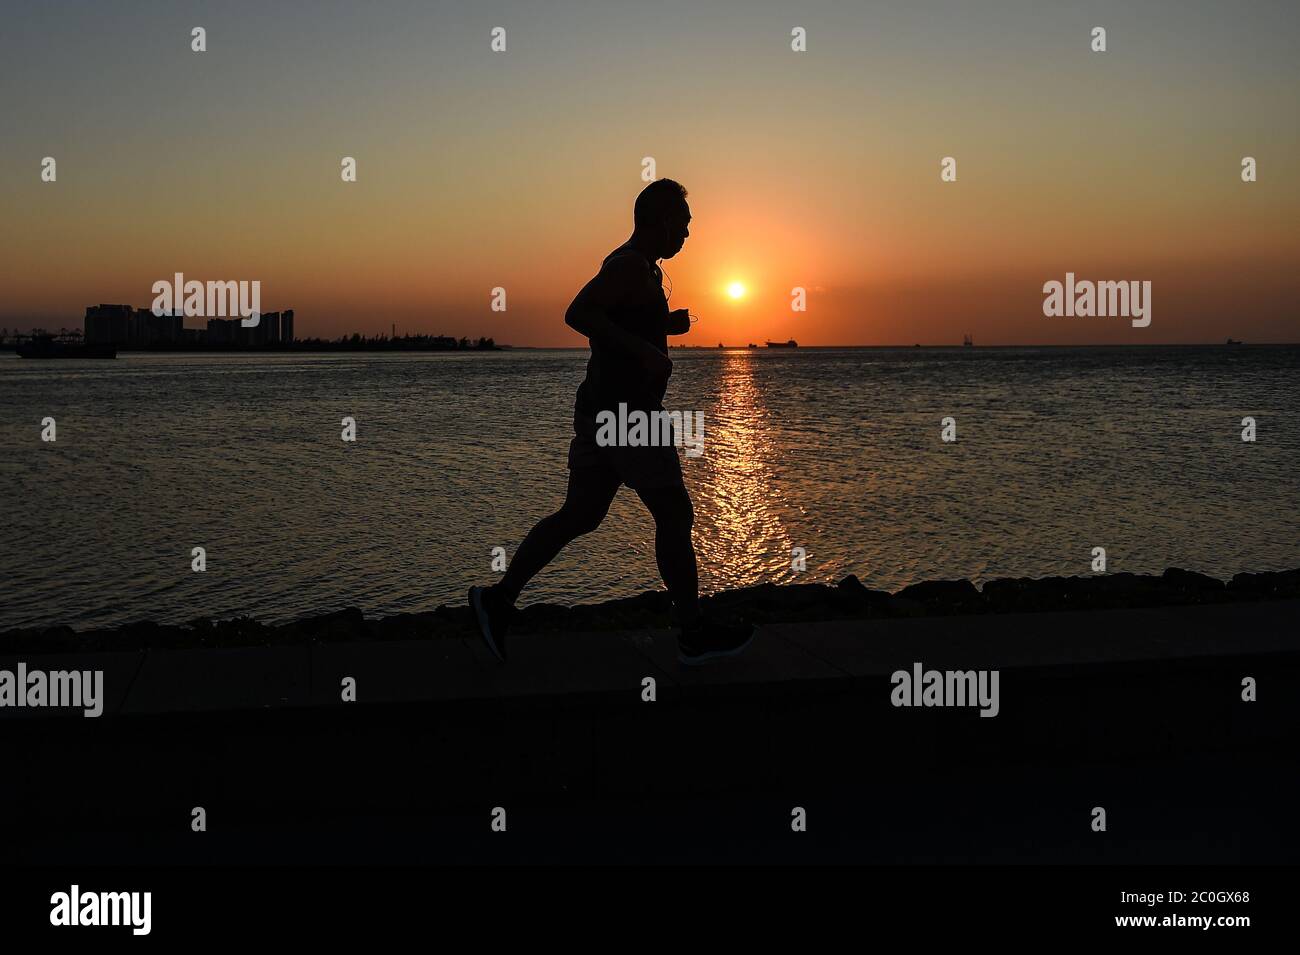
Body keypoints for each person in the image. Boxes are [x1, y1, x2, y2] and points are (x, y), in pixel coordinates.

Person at [470, 179, 755, 666]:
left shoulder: (642, 269)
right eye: (683, 225)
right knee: (674, 513)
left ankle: (497, 601)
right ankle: (691, 632)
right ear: (662, 221)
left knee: (581, 514)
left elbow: (615, 319)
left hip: (602, 412)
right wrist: (644, 348)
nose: (687, 235)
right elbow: (578, 312)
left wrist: (663, 327)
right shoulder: (626, 266)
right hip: (628, 415)